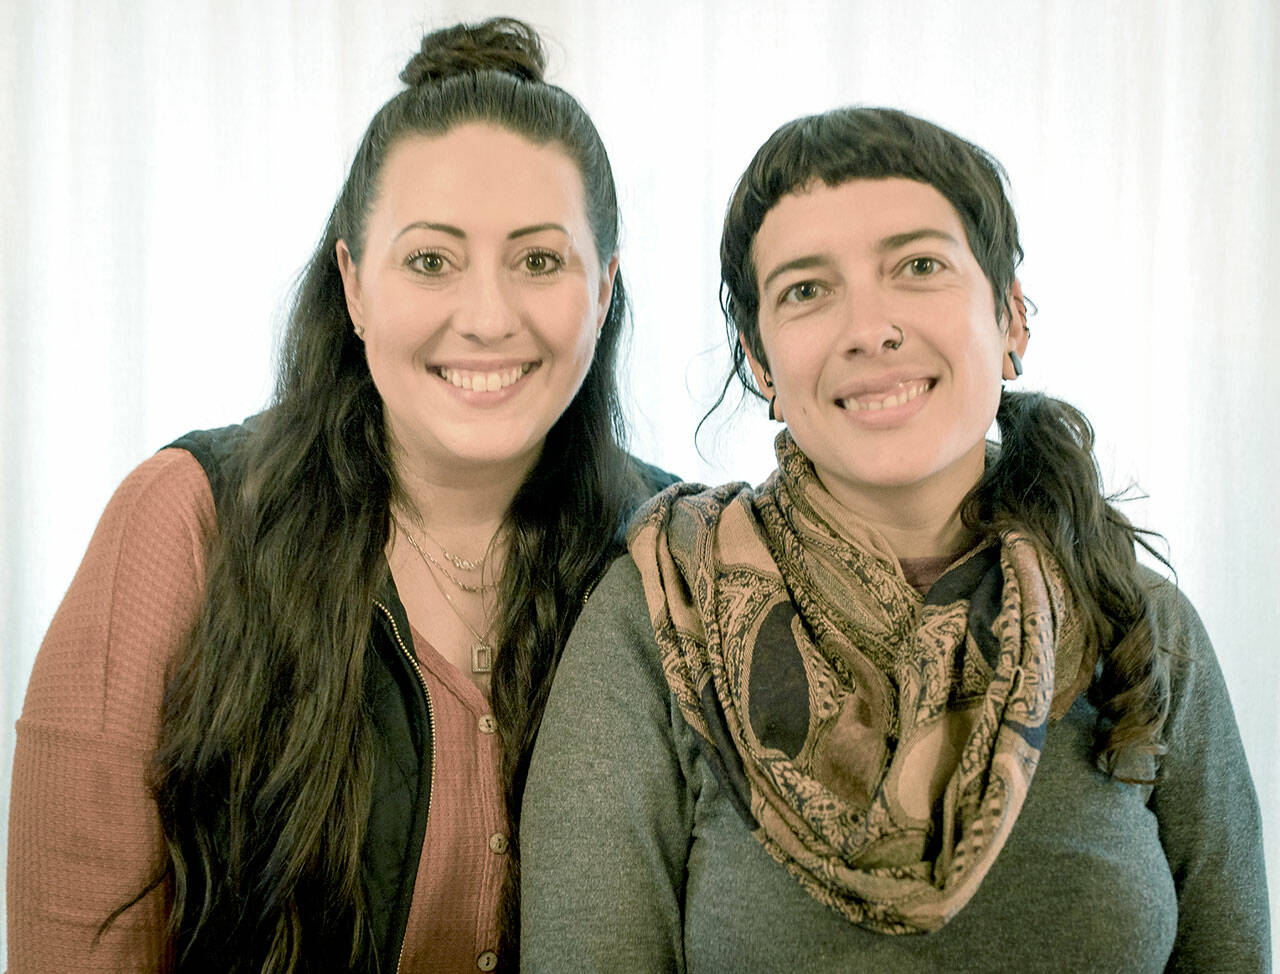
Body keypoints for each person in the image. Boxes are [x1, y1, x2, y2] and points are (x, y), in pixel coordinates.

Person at [520, 107, 1270, 971]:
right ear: (760, 361)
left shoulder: (1141, 623)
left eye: (918, 267)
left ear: (1012, 319)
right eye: (807, 290)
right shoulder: (662, 617)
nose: (869, 329)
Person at [8, 17, 673, 974]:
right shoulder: (185, 521)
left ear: (603, 290)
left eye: (538, 261)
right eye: (431, 260)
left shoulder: (672, 556)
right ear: (354, 285)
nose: (487, 318)